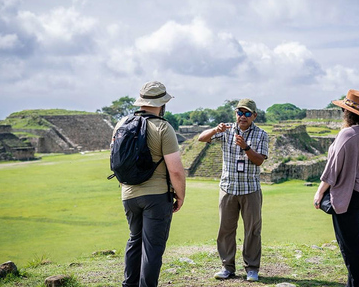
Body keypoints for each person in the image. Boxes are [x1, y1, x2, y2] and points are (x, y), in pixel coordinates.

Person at [113, 81, 186, 287]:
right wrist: (180, 195)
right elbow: (176, 170)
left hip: (128, 194)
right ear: (162, 104)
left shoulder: (121, 124)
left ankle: (129, 284)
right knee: (152, 248)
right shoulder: (163, 127)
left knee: (134, 241)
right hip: (156, 196)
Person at [313, 89, 359, 287]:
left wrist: (319, 193)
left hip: (350, 196)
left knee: (350, 248)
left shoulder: (348, 134)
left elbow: (332, 168)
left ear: (347, 113)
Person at [198, 98, 269, 282]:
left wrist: (245, 147)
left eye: (247, 113)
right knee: (225, 229)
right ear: (235, 114)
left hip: (250, 188)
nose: (242, 117)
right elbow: (201, 138)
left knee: (252, 230)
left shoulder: (261, 134)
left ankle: (252, 268)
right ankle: (227, 266)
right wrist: (215, 130)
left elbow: (259, 160)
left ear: (254, 115)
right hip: (228, 187)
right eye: (239, 112)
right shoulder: (226, 130)